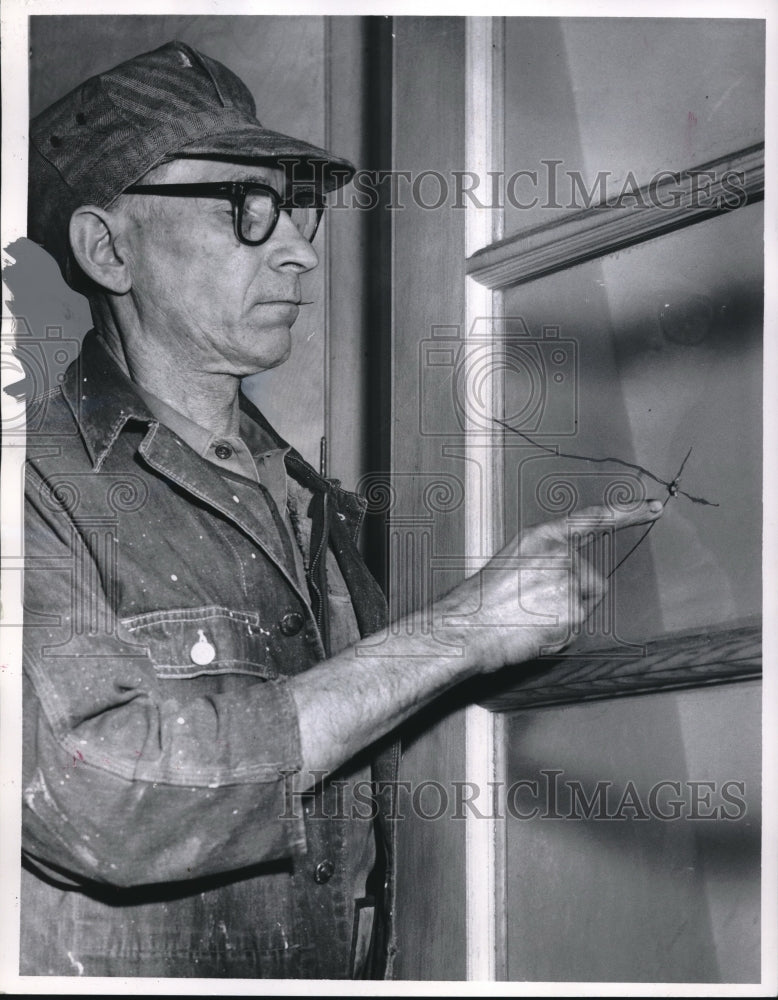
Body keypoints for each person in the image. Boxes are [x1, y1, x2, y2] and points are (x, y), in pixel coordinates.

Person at [20, 40, 663, 980]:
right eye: (247, 208)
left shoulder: (314, 501)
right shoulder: (29, 485)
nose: (298, 249)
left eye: (296, 205)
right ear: (108, 248)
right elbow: (96, 800)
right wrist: (461, 631)